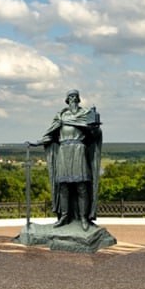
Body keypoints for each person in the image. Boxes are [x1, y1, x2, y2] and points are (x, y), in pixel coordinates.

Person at [38, 89, 102, 231]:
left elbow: (95, 135)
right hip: (63, 151)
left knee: (81, 187)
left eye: (75, 96)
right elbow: (50, 135)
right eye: (70, 97)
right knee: (64, 187)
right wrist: (37, 143)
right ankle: (64, 216)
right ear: (66, 100)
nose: (73, 99)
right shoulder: (61, 115)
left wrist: (95, 128)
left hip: (79, 150)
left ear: (79, 99)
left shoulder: (85, 114)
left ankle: (84, 218)